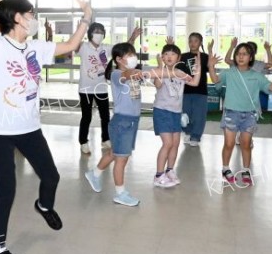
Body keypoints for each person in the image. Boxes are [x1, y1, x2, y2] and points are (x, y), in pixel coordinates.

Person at [0, 0, 92, 254]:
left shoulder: (36, 47)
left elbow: (71, 45)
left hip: (30, 129)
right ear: (17, 18)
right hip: (1, 133)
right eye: (31, 15)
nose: (34, 19)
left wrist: (86, 17)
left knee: (51, 178)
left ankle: (44, 206)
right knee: (6, 191)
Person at [84, 43, 192, 205]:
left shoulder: (133, 72)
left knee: (116, 152)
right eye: (129, 55)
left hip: (132, 120)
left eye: (133, 53)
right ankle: (120, 193)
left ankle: (95, 173)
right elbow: (129, 74)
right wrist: (163, 70)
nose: (133, 57)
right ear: (118, 59)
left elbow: (139, 74)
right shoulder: (116, 74)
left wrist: (158, 70)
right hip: (122, 121)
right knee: (122, 158)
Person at [208, 43, 272, 186]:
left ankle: (246, 170)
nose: (241, 56)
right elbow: (215, 80)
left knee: (246, 144)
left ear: (251, 57)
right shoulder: (229, 73)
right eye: (238, 53)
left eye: (245, 54)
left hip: (249, 114)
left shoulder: (256, 76)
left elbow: (271, 88)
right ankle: (225, 169)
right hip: (231, 112)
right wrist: (211, 66)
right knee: (229, 144)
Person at [76, 22, 140, 154]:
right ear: (90, 33)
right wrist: (78, 31)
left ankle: (105, 139)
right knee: (86, 117)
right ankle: (83, 142)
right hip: (86, 89)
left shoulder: (106, 48)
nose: (98, 34)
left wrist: (133, 37)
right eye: (96, 31)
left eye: (101, 31)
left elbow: (123, 50)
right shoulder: (83, 47)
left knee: (105, 116)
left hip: (101, 88)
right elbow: (74, 45)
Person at [152, 44, 201, 188]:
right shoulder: (160, 72)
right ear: (162, 57)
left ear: (178, 58)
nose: (169, 56)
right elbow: (158, 84)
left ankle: (170, 171)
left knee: (175, 143)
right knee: (167, 143)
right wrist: (160, 68)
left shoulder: (180, 73)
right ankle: (158, 175)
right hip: (162, 111)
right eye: (166, 54)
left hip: (176, 113)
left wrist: (198, 67)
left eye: (172, 54)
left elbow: (195, 82)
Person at [222, 38, 272, 148]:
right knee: (234, 123)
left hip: (251, 102)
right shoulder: (238, 63)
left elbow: (270, 64)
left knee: (249, 123)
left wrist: (268, 50)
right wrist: (232, 46)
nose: (242, 55)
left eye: (250, 50)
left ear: (253, 54)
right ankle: (237, 136)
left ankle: (246, 138)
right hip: (235, 102)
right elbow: (227, 60)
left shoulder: (258, 64)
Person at [178, 32, 210, 147]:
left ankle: (196, 136)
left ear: (200, 43)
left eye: (195, 41)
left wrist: (210, 53)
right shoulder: (183, 56)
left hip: (201, 91)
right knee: (185, 115)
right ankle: (187, 132)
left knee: (199, 115)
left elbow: (210, 69)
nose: (192, 43)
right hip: (185, 91)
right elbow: (175, 70)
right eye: (190, 40)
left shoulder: (205, 57)